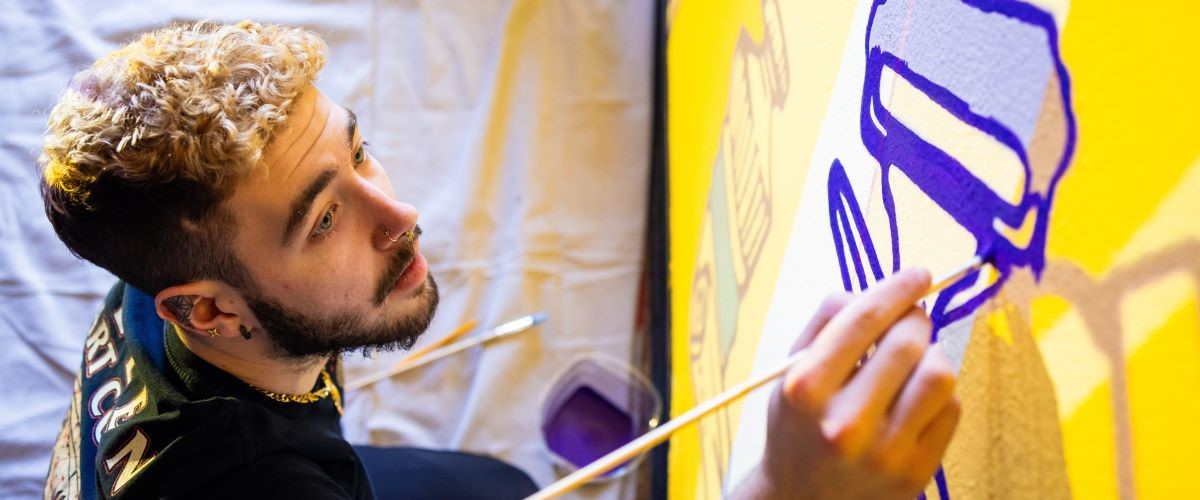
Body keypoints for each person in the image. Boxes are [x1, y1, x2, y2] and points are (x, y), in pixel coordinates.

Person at [39, 21, 959, 499]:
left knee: (508, 486)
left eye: (355, 152)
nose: (399, 215)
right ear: (208, 314)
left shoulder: (156, 270)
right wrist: (790, 491)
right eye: (323, 221)